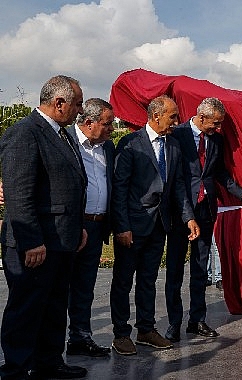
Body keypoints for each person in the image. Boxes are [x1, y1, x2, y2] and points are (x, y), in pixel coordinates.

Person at [0, 75, 88, 380]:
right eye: (77, 104)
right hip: (36, 243)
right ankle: (15, 368)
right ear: (59, 103)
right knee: (26, 309)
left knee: (53, 306)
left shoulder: (62, 134)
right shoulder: (25, 133)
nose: (80, 110)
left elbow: (68, 186)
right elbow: (18, 193)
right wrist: (31, 240)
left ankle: (48, 363)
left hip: (61, 239)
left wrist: (77, 227)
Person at [165, 97, 242, 342]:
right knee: (175, 270)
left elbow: (219, 173)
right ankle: (174, 323)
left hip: (205, 211)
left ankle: (197, 320)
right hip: (179, 213)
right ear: (201, 117)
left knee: (200, 268)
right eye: (215, 123)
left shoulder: (216, 140)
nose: (218, 128)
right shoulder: (177, 135)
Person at [110, 95, 199, 356]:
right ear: (156, 115)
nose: (177, 121)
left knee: (148, 280)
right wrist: (122, 227)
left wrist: (188, 217)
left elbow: (179, 186)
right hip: (132, 227)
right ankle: (121, 333)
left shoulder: (173, 146)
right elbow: (120, 189)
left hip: (160, 225)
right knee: (124, 280)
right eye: (172, 116)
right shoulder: (130, 144)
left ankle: (146, 329)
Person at [65, 98, 115, 358]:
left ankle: (80, 337)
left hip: (96, 227)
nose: (112, 129)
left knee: (85, 286)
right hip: (70, 226)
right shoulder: (67, 143)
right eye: (108, 124)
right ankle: (46, 347)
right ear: (88, 123)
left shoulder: (107, 148)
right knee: (60, 286)